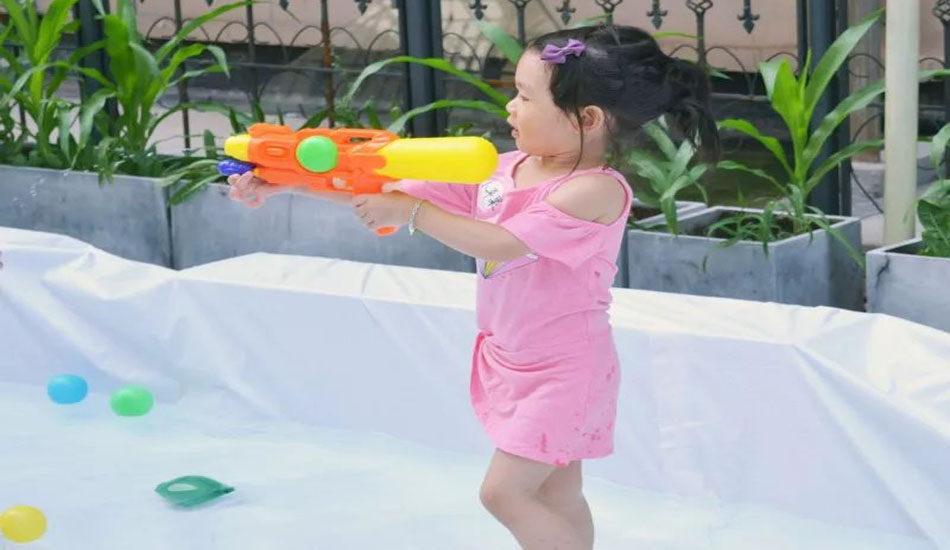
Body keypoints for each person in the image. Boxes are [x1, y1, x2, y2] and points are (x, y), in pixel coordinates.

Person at [229, 23, 719, 550]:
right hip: (513, 360)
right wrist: (285, 183)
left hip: (564, 371)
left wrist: (413, 213)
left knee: (502, 494)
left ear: (588, 119)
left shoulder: (595, 191)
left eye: (525, 96)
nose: (510, 107)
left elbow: (502, 242)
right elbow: (390, 190)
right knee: (556, 493)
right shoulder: (509, 170)